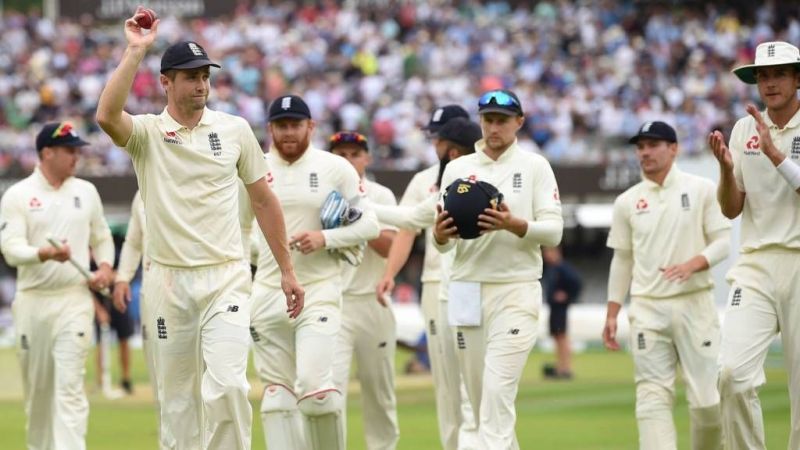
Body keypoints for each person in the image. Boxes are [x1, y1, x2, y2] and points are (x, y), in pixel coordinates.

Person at [94, 9, 303, 449]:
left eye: (205, 75)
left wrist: (286, 269)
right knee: (178, 402)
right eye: (190, 77)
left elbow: (264, 200)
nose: (201, 84)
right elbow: (107, 116)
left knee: (228, 387)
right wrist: (135, 51)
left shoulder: (235, 130)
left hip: (226, 276)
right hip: (168, 283)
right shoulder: (147, 134)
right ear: (166, 82)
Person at [433, 89, 563, 449]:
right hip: (465, 289)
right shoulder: (458, 169)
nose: (494, 127)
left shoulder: (535, 166)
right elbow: (443, 241)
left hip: (515, 288)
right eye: (488, 120)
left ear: (519, 122)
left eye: (502, 120)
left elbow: (554, 231)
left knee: (497, 393)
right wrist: (438, 236)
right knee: (479, 404)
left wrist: (514, 224)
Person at [249, 95, 379, 450]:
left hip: (319, 289)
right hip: (265, 292)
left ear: (311, 126)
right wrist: (261, 251)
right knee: (276, 399)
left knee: (316, 392)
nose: (289, 133)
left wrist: (325, 237)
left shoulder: (335, 169)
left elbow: (370, 225)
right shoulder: (253, 167)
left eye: (295, 125)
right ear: (270, 128)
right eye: (281, 126)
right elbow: (238, 228)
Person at [604, 120, 730, 450]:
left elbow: (722, 243)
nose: (644, 152)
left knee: (708, 402)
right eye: (640, 146)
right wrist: (612, 312)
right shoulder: (627, 201)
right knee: (651, 398)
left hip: (695, 303)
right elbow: (623, 259)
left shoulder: (701, 188)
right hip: (647, 307)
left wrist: (693, 264)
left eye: (653, 145)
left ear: (673, 149)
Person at [0, 121, 115, 449]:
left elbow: (102, 236)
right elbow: (11, 249)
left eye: (77, 150)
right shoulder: (19, 195)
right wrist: (44, 253)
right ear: (46, 153)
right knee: (39, 393)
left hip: (73, 300)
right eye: (69, 150)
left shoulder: (85, 192)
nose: (76, 156)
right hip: (33, 301)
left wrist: (105, 267)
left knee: (69, 388)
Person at [709, 40, 800, 450]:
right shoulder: (745, 127)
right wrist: (728, 171)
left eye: (780, 73)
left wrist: (776, 155)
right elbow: (731, 210)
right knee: (731, 374)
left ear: (797, 79)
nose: (770, 82)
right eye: (763, 75)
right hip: (756, 262)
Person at [375, 106, 479, 450]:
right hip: (436, 283)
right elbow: (408, 226)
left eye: (438, 138)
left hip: (476, 284)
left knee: (477, 381)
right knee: (448, 382)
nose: (434, 145)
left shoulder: (482, 175)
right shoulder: (425, 180)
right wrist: (390, 273)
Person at [328, 130, 400, 450]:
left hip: (374, 302)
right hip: (333, 304)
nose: (347, 160)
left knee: (379, 394)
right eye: (340, 155)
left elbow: (390, 248)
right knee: (330, 394)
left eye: (354, 154)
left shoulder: (380, 195)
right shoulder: (319, 193)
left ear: (367, 158)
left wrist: (357, 218)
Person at [541, 246, 582, 380]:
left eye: (548, 252)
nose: (546, 255)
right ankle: (560, 367)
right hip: (554, 308)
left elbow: (577, 284)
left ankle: (565, 368)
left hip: (560, 308)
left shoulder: (563, 268)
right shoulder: (552, 268)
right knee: (557, 338)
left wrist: (567, 296)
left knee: (562, 337)